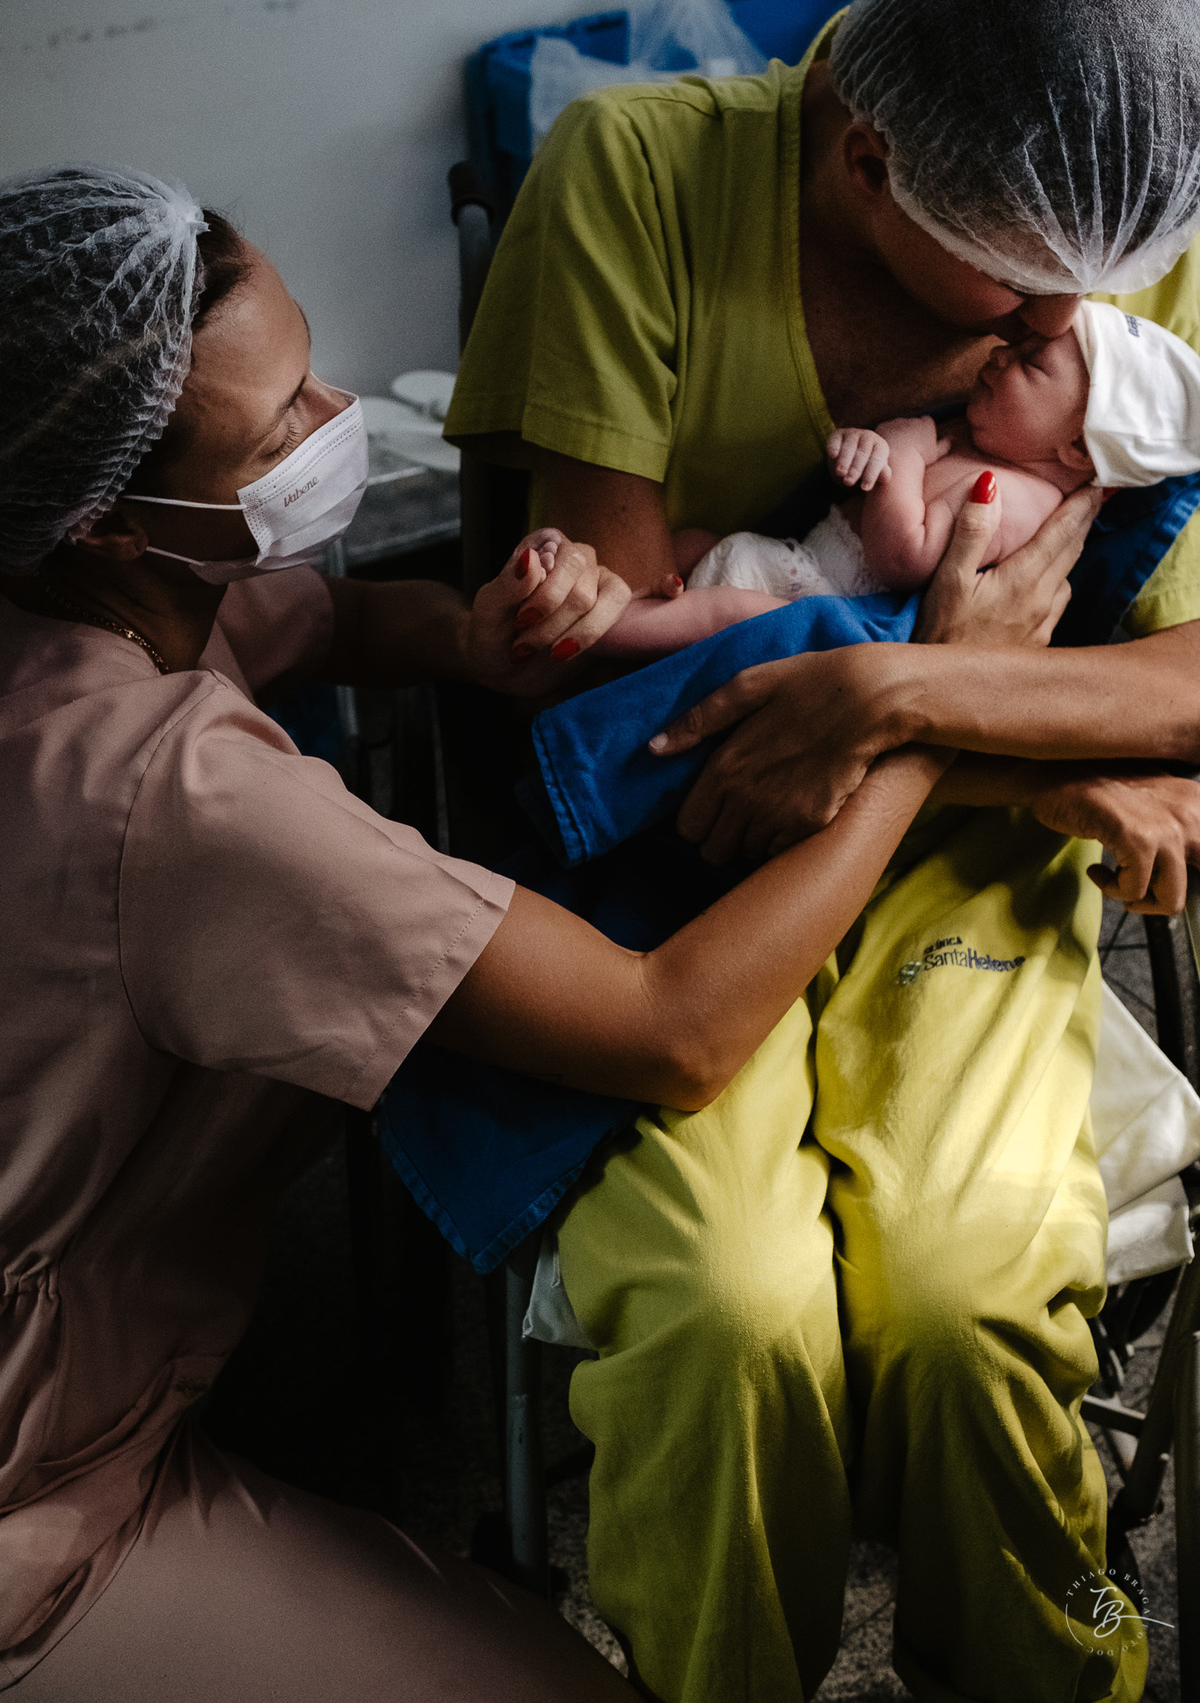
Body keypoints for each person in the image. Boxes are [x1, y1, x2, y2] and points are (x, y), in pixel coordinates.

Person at [0, 166, 1148, 1701]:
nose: (337, 417)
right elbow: (671, 1029)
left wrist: (475, 637)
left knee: (964, 1276)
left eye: (314, 369)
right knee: (726, 1302)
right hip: (45, 1488)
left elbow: (321, 618)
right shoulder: (181, 799)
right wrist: (933, 702)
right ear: (104, 523)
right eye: (283, 426)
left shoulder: (103, 604)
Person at [443, 0, 1200, 1698]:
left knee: (961, 1298)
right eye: (1017, 298)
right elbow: (631, 697)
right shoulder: (636, 182)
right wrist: (1036, 708)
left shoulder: (1121, 227)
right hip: (687, 865)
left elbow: (1181, 699)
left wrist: (900, 694)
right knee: (728, 1316)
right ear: (867, 159)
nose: (1067, 327)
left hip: (963, 859)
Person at [598, 301, 1200, 658]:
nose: (1000, 354)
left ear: (1075, 446)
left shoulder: (1025, 501)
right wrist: (870, 450)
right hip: (797, 564)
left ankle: (597, 632)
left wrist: (904, 458)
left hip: (825, 620)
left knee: (724, 613)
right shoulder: (984, 441)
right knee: (687, 548)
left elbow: (903, 556)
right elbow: (876, 480)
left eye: (1031, 363)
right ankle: (605, 601)